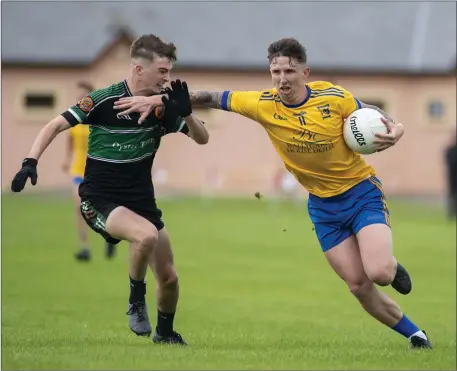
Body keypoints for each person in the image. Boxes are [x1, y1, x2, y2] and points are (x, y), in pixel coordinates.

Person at [114, 38, 432, 349]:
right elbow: (210, 97)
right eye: (276, 72)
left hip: (361, 193)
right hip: (323, 208)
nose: (282, 79)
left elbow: (371, 113)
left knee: (378, 272)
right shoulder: (263, 104)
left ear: (305, 74)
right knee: (358, 285)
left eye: (289, 72)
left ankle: (390, 266)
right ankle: (415, 335)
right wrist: (155, 100)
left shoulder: (334, 98)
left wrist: (397, 128)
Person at [11, 34, 209, 345]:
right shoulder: (103, 101)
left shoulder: (162, 107)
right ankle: (136, 300)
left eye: (169, 72)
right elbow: (54, 125)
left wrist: (185, 112)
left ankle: (166, 334)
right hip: (99, 200)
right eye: (163, 72)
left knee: (169, 278)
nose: (167, 78)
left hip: (142, 202)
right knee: (145, 235)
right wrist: (30, 162)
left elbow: (203, 138)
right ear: (139, 69)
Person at [61, 81, 116, 261]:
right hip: (78, 170)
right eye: (78, 97)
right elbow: (70, 142)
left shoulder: (98, 120)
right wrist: (67, 159)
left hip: (97, 169)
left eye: (83, 97)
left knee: (102, 208)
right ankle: (84, 247)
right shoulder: (74, 121)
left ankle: (109, 234)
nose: (80, 100)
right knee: (79, 208)